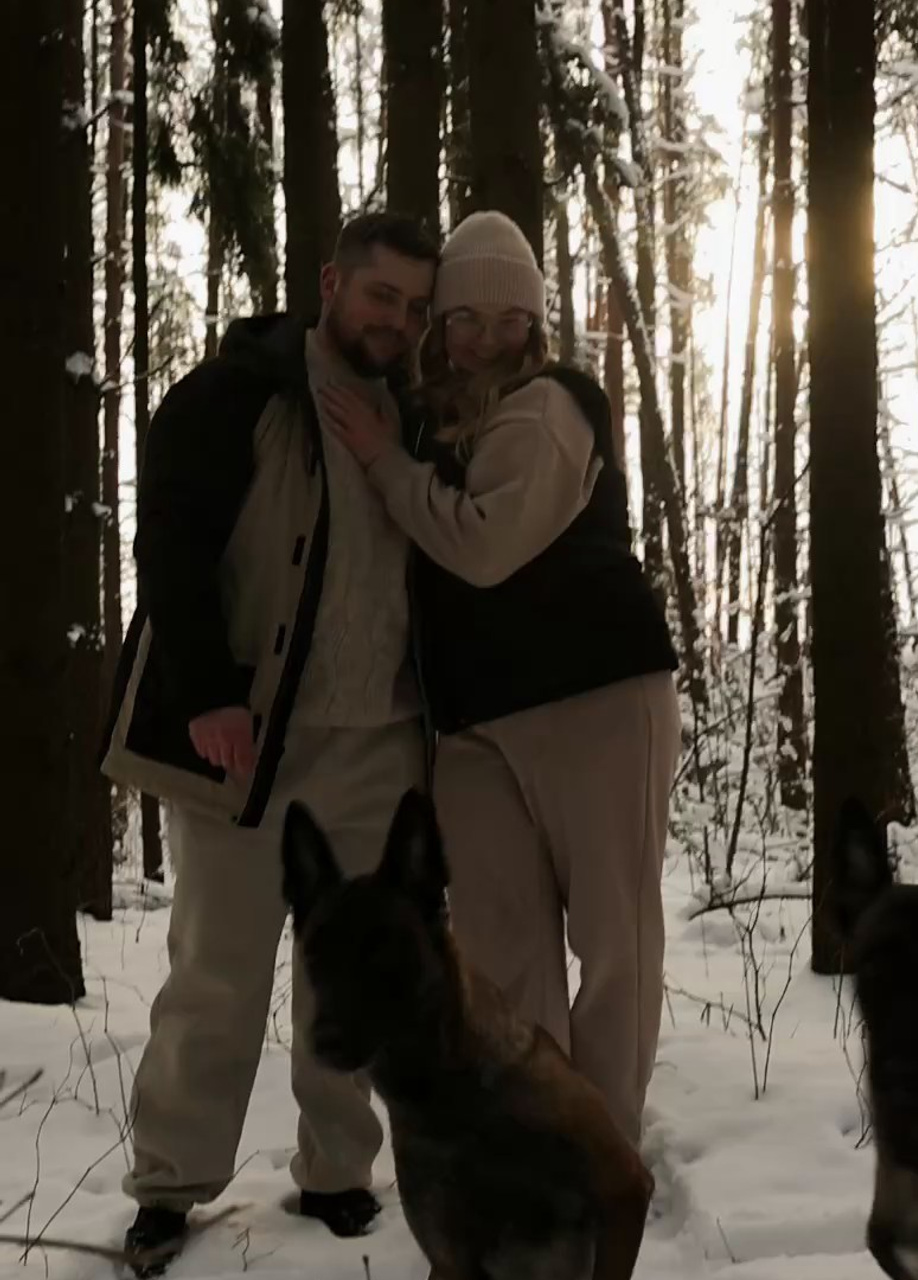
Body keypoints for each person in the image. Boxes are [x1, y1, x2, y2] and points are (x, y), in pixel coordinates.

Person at [100, 212, 438, 1275]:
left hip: (381, 739)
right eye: (381, 296)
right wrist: (207, 693)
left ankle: (338, 1169)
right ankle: (169, 1184)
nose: (397, 322)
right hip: (251, 740)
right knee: (217, 972)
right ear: (331, 283)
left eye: (416, 308)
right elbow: (171, 547)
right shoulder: (229, 395)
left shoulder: (418, 418)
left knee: (356, 971)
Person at [321, 209, 682, 1146]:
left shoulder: (551, 406)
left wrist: (383, 463)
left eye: (509, 318)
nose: (488, 338)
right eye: (467, 319)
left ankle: (603, 1150)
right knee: (500, 946)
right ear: (441, 326)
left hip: (598, 699)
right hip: (475, 723)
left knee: (612, 941)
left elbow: (485, 547)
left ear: (536, 322)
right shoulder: (427, 423)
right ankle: (534, 1139)